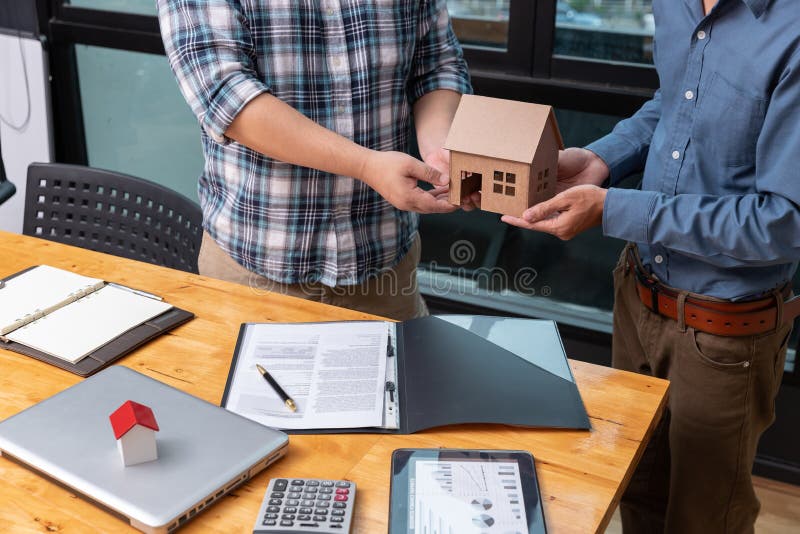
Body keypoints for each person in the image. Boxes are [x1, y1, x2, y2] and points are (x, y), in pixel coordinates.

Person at [504, 1, 800, 532]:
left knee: (705, 518)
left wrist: (615, 207)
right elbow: (676, 101)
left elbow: (783, 223)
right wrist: (604, 158)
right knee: (636, 491)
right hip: (637, 292)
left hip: (724, 333)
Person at [157, 0, 471, 320]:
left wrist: (438, 152)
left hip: (387, 269)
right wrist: (365, 165)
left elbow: (436, 65)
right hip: (257, 274)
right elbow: (227, 95)